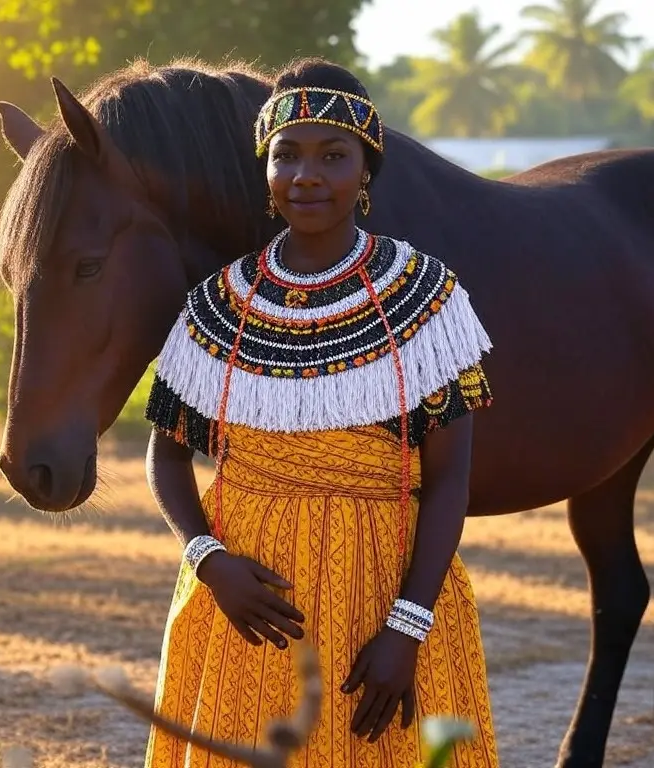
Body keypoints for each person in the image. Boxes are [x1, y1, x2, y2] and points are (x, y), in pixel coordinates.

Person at [143, 57, 499, 767]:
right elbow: (168, 455)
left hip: (381, 596)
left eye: (334, 156)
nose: (307, 175)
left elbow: (451, 478)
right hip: (245, 605)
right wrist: (210, 562)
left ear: (365, 171)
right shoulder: (217, 306)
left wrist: (407, 627)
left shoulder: (424, 298)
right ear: (265, 169)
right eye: (287, 155)